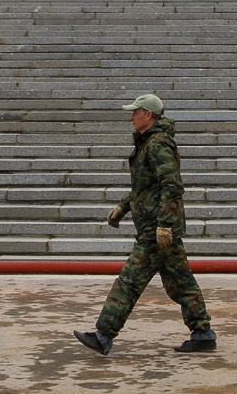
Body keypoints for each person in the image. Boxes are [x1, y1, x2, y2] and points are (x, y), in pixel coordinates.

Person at [73, 93, 217, 356]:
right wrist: (123, 206)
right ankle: (202, 333)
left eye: (135, 113)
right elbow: (144, 187)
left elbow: (171, 186)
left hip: (156, 230)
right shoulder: (148, 142)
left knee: (129, 281)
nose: (131, 117)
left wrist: (164, 224)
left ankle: (104, 335)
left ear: (147, 115)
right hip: (156, 226)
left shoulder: (159, 143)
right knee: (181, 282)